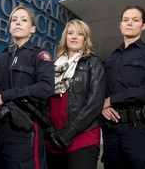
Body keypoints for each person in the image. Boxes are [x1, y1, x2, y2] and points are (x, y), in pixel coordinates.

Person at [0, 5, 54, 169]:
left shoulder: (39, 55)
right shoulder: (0, 57)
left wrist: (5, 96)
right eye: (14, 20)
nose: (18, 23)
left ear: (32, 29)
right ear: (9, 27)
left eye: (24, 20)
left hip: (24, 130)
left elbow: (46, 88)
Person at [101, 5, 145, 169]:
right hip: (112, 131)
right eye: (125, 20)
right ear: (120, 25)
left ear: (143, 26)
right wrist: (101, 107)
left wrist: (112, 100)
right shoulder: (110, 59)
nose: (129, 23)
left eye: (135, 20)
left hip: (142, 129)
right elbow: (101, 91)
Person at [45, 19, 106, 169]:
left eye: (79, 34)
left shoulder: (93, 63)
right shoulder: (53, 65)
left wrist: (68, 132)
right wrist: (50, 131)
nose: (74, 37)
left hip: (82, 136)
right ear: (65, 37)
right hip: (53, 137)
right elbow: (43, 101)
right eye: (70, 33)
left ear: (85, 39)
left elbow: (95, 103)